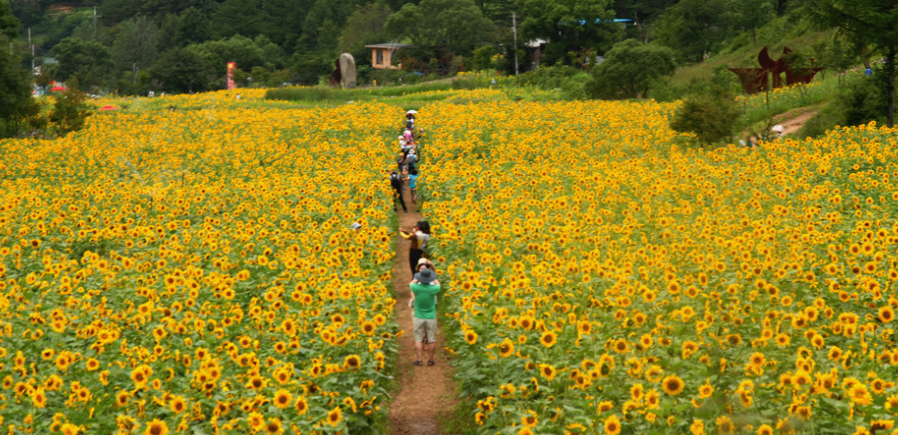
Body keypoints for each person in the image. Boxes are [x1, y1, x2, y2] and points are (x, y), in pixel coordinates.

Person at [409, 268, 440, 366]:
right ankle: (430, 360)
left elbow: (411, 283)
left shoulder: (416, 288)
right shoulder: (433, 289)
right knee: (431, 339)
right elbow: (438, 284)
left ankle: (419, 360)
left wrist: (418, 278)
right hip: (431, 317)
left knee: (418, 338)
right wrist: (433, 278)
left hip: (418, 316)